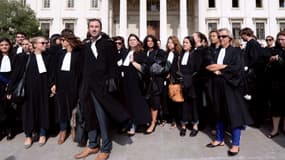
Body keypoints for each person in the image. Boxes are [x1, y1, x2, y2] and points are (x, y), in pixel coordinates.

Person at [74, 18, 129, 160]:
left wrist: (110, 83)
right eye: (91, 26)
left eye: (96, 26)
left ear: (100, 28)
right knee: (88, 115)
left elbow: (114, 67)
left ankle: (105, 147)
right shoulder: (85, 46)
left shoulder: (108, 44)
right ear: (88, 28)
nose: (94, 29)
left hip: (101, 87)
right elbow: (81, 67)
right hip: (86, 87)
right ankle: (92, 145)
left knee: (102, 117)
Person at [206, 28, 252, 156]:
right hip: (217, 86)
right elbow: (209, 66)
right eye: (219, 36)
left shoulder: (235, 52)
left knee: (234, 115)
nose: (221, 38)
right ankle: (219, 139)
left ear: (230, 38)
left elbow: (237, 69)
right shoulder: (216, 51)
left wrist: (220, 68)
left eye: (223, 36)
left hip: (231, 87)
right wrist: (224, 67)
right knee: (219, 113)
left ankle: (235, 145)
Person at [7, 36, 50, 148]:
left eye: (46, 42)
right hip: (28, 90)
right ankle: (28, 136)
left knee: (43, 110)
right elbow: (16, 74)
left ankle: (42, 134)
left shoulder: (48, 57)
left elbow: (52, 74)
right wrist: (10, 89)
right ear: (35, 45)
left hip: (43, 89)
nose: (45, 44)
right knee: (28, 112)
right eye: (42, 43)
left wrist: (53, 85)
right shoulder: (23, 58)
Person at [50, 33, 84, 144]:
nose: (61, 42)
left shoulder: (78, 54)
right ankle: (63, 131)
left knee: (73, 108)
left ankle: (73, 128)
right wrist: (53, 84)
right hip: (61, 84)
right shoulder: (60, 53)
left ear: (68, 41)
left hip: (73, 84)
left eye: (63, 40)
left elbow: (81, 72)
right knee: (61, 108)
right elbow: (54, 70)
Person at [118, 34, 151, 136]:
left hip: (135, 82)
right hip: (124, 81)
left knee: (135, 104)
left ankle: (134, 125)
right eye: (130, 40)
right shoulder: (125, 52)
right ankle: (127, 124)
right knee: (126, 103)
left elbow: (144, 69)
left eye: (134, 40)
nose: (132, 41)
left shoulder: (141, 53)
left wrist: (133, 62)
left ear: (138, 41)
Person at [143, 35, 167, 134]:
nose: (150, 42)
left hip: (156, 80)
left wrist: (148, 62)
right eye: (148, 41)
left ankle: (153, 123)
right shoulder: (144, 52)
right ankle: (151, 119)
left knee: (155, 101)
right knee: (148, 101)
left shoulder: (160, 52)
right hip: (146, 80)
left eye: (152, 41)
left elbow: (161, 64)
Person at [266, 31, 285, 138]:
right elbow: (267, 65)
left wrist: (281, 60)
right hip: (276, 83)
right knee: (276, 107)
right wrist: (271, 60)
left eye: (283, 39)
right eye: (279, 39)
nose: (280, 41)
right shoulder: (274, 51)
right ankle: (275, 129)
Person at [0, 38, 14, 140]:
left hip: (10, 85)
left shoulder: (14, 57)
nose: (4, 47)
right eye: (2, 45)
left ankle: (9, 130)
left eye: (6, 45)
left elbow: (16, 72)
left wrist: (10, 86)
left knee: (8, 108)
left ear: (9, 46)